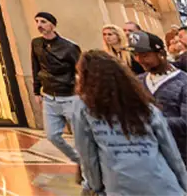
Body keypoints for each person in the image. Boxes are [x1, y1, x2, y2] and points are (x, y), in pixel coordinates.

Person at [74, 49, 187, 195]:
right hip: (162, 184)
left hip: (121, 186)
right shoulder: (145, 107)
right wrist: (183, 184)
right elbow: (171, 152)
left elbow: (88, 156)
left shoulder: (84, 108)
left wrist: (95, 186)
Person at [30, 12, 83, 169]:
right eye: (37, 21)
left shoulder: (69, 47)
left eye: (43, 22)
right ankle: (79, 160)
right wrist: (36, 90)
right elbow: (35, 66)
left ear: (52, 25)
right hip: (49, 95)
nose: (39, 25)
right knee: (52, 135)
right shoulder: (36, 43)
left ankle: (87, 167)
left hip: (69, 96)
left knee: (79, 135)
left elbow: (80, 70)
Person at [130, 31, 187, 163]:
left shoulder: (183, 82)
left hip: (181, 156)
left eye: (144, 55)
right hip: (151, 157)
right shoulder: (137, 82)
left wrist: (150, 123)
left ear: (161, 54)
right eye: (136, 55)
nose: (139, 60)